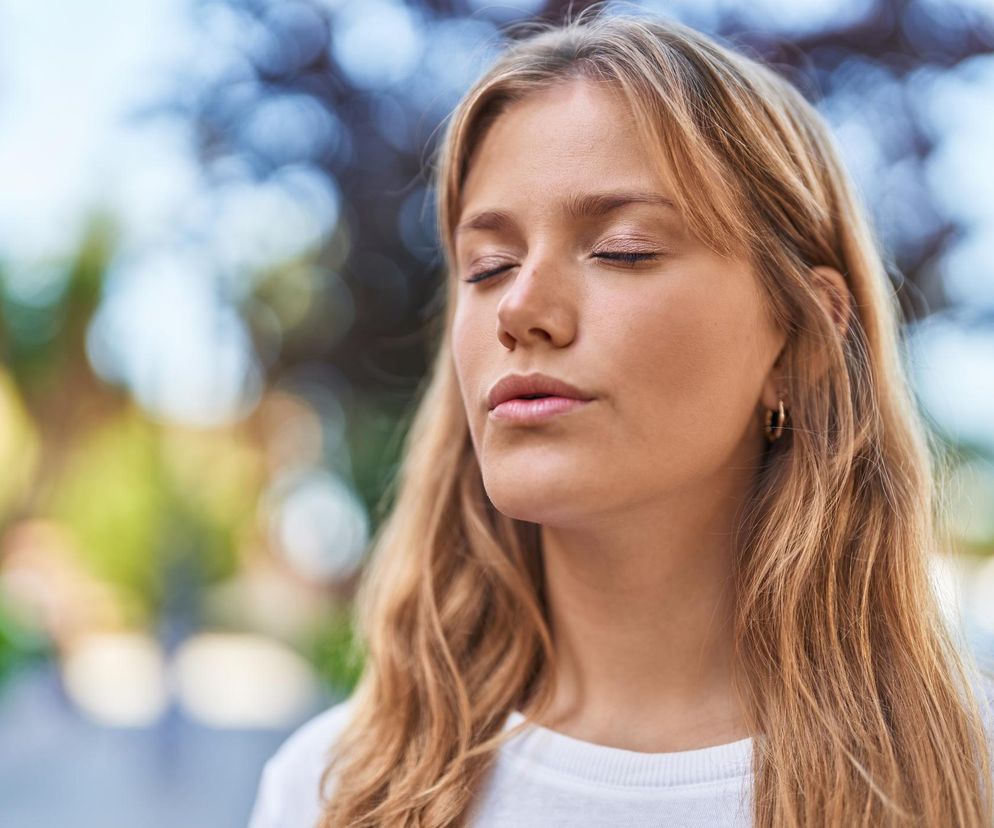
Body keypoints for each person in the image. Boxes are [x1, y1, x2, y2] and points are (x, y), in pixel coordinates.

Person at [247, 8, 994, 827]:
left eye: (623, 249)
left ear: (803, 341)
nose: (519, 309)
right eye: (487, 266)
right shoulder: (330, 789)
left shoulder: (970, 776)